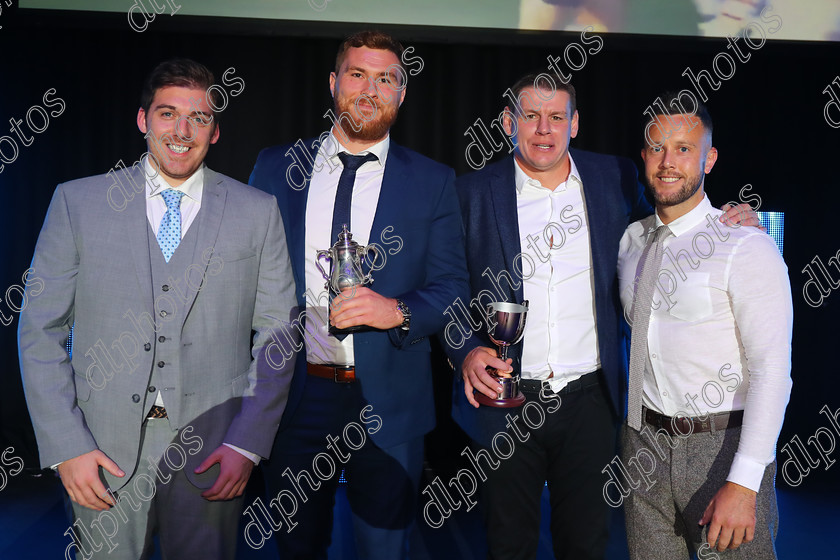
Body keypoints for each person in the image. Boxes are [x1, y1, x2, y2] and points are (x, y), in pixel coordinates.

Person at [446, 74, 756, 559]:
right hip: (504, 404)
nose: (543, 129)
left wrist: (726, 218)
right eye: (530, 116)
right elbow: (445, 286)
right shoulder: (468, 193)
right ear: (509, 123)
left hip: (590, 403)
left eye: (556, 117)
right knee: (507, 545)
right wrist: (465, 350)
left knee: (587, 544)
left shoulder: (613, 177)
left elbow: (669, 222)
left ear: (575, 124)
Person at [18, 59, 297, 560]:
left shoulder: (257, 211)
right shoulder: (77, 203)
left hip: (214, 449)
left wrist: (246, 444)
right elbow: (40, 331)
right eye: (168, 114)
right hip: (99, 451)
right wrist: (67, 447)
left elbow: (277, 334)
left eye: (199, 118)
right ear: (144, 120)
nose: (182, 131)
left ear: (215, 131)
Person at [248, 30, 468, 559]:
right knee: (296, 548)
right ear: (333, 83)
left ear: (402, 93)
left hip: (391, 403)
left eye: (386, 78)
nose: (371, 89)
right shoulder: (277, 167)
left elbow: (453, 287)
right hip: (294, 398)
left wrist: (396, 310)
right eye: (358, 74)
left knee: (384, 550)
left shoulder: (433, 181)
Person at [617, 93, 791, 559]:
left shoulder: (745, 246)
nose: (668, 161)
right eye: (657, 147)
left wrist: (745, 481)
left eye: (683, 149)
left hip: (722, 447)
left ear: (709, 158)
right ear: (644, 155)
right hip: (643, 445)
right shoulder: (631, 241)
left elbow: (774, 373)